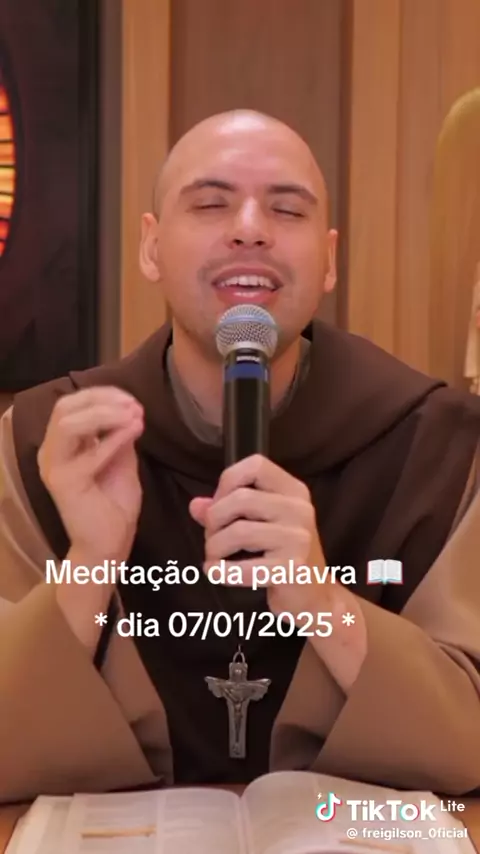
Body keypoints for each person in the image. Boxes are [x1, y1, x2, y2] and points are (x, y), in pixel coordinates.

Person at [0, 110, 479, 805]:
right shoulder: (46, 443)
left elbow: (470, 742)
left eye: (287, 209)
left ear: (329, 261)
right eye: (210, 203)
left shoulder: (440, 446)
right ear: (151, 247)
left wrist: (322, 602)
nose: (250, 229)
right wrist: (91, 563)